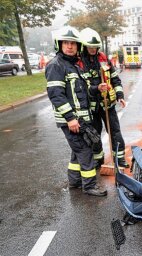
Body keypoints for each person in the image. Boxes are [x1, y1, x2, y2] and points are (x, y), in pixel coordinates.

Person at [45, 26, 107, 196]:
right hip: (72, 120)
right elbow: (56, 95)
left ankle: (74, 181)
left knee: (77, 151)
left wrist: (96, 88)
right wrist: (70, 118)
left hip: (80, 119)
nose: (70, 46)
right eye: (66, 42)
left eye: (73, 43)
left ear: (78, 46)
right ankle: (89, 186)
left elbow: (84, 92)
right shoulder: (56, 65)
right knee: (85, 151)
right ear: (59, 44)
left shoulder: (74, 66)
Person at [79, 27, 129, 168]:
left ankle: (119, 158)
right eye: (90, 47)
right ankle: (98, 159)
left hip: (108, 104)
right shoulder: (80, 63)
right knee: (94, 135)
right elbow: (81, 87)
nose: (93, 49)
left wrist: (119, 95)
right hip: (91, 107)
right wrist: (96, 88)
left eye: (95, 47)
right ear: (84, 46)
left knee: (115, 132)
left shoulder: (103, 58)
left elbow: (115, 79)